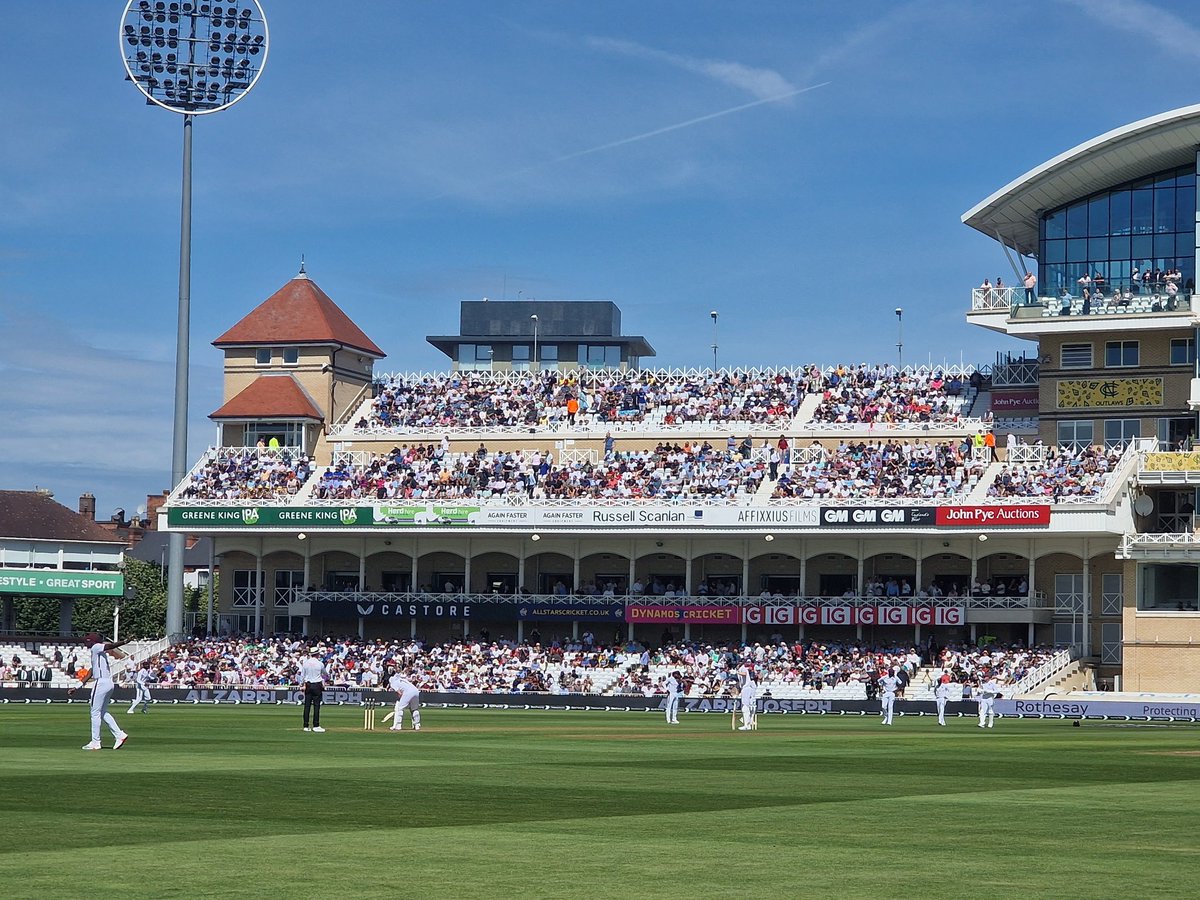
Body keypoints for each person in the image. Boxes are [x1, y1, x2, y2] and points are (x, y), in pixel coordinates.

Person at [69, 632, 130, 751]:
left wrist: (124, 642)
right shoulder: (97, 654)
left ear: (91, 641)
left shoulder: (96, 647)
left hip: (101, 683)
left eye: (86, 641)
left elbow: (109, 646)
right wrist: (78, 686)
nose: (85, 644)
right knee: (102, 712)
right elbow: (91, 671)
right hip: (108, 683)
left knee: (95, 713)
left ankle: (95, 742)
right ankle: (120, 735)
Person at [297, 647, 327, 733]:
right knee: (316, 706)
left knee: (307, 706)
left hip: (308, 685)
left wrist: (302, 685)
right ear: (317, 654)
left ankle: (306, 726)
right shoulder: (320, 663)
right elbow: (325, 673)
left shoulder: (306, 663)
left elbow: (302, 676)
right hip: (317, 685)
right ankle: (316, 725)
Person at [387, 664, 421, 731]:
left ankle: (398, 726)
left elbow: (399, 693)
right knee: (414, 709)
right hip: (416, 691)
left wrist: (401, 701)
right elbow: (398, 672)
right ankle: (417, 725)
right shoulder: (400, 678)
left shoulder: (393, 682)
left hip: (408, 692)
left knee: (399, 708)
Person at [736, 660, 758, 731]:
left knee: (745, 706)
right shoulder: (744, 668)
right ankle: (748, 724)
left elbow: (745, 673)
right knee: (749, 706)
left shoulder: (743, 668)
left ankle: (746, 725)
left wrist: (737, 673)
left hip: (746, 688)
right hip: (747, 688)